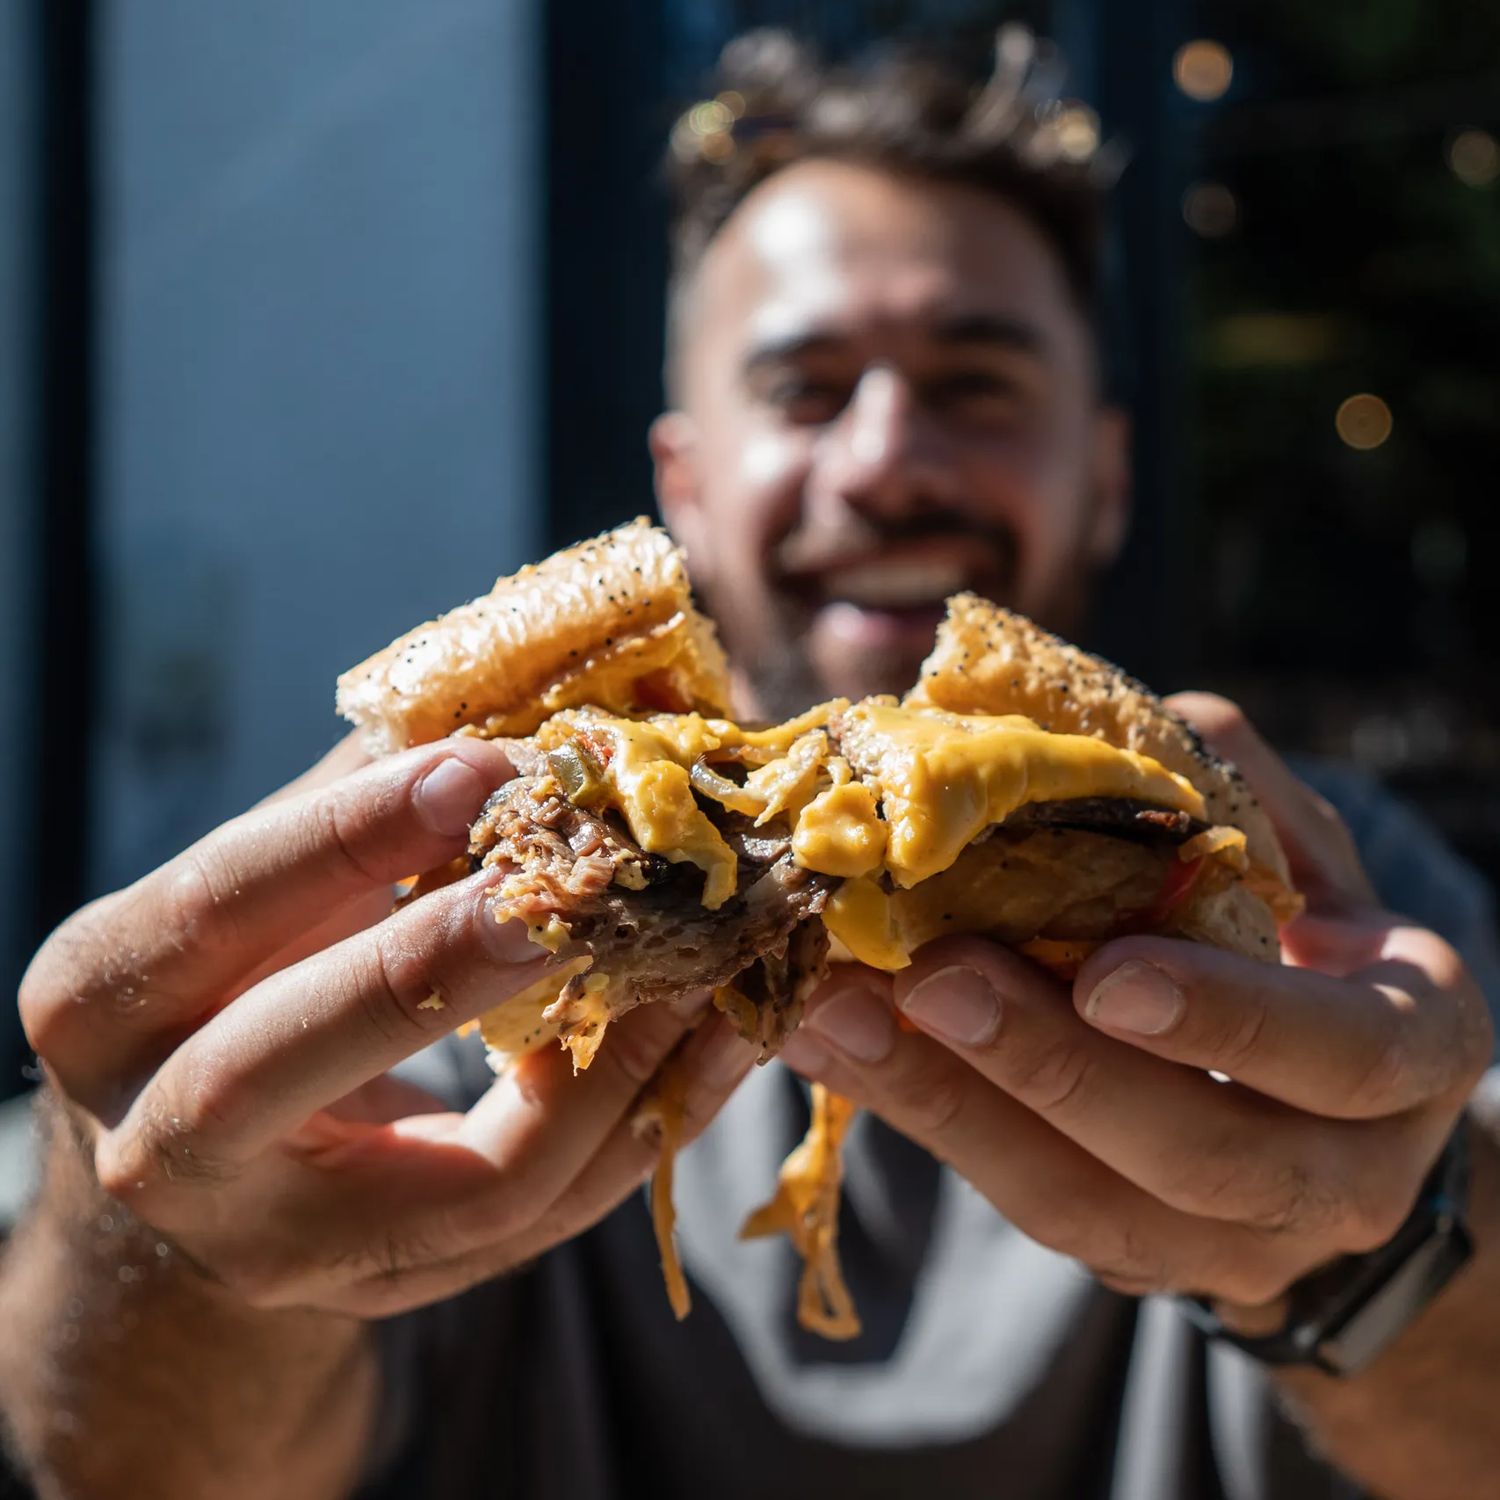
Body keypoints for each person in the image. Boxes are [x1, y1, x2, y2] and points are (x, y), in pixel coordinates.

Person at [4, 30, 1500, 1500]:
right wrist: (163, 1232)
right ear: (688, 484)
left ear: (1105, 475)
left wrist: (1382, 1248)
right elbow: (132, 1474)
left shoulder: (1327, 921)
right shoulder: (444, 901)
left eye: (977, 383)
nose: (885, 461)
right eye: (805, 387)